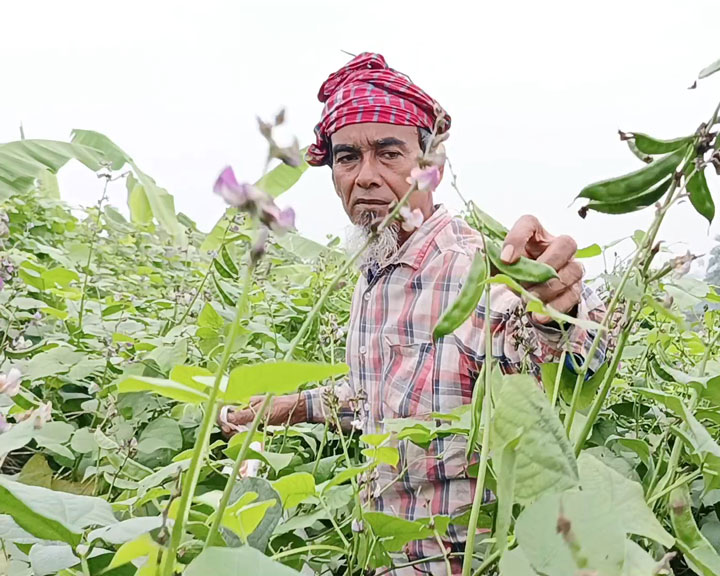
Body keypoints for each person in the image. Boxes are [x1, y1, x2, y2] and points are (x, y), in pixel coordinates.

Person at [221, 53, 606, 575]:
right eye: (348, 157)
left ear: (431, 168)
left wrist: (561, 310)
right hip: (380, 555)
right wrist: (282, 408)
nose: (367, 177)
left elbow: (565, 351)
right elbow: (378, 395)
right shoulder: (372, 272)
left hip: (464, 561)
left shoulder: (473, 268)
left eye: (389, 153)